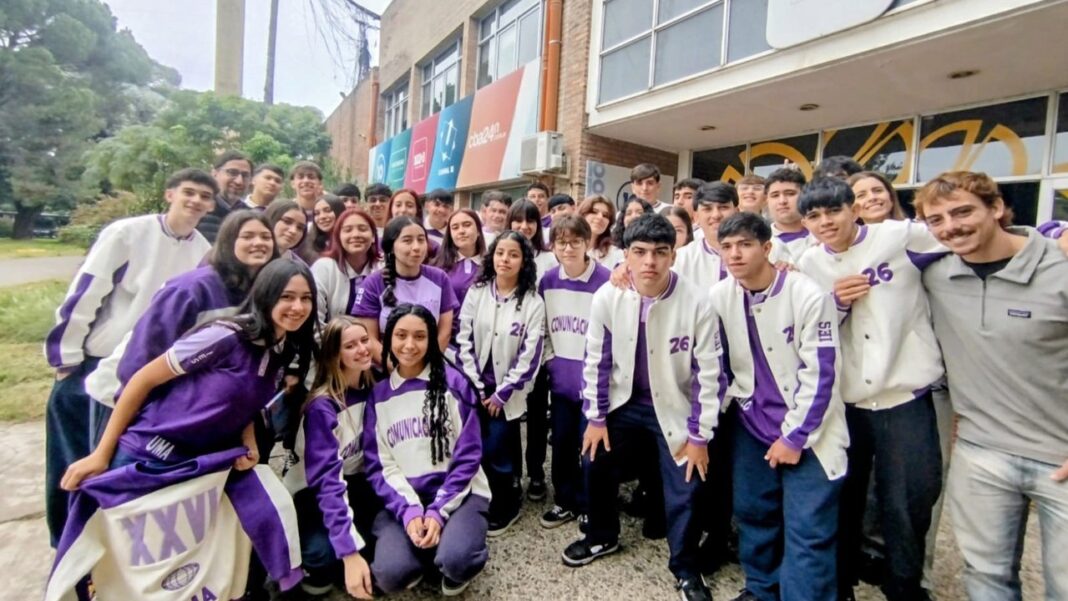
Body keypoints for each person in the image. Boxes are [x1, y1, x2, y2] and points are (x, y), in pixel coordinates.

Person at [60, 259, 319, 594]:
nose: (297, 307)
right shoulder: (224, 337)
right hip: (147, 458)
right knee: (129, 566)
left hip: (198, 467)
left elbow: (247, 402)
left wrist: (249, 440)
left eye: (306, 298)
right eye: (287, 296)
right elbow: (142, 380)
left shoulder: (281, 350)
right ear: (265, 296)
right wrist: (100, 454)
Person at [43, 168, 217, 546]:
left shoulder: (202, 248)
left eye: (205, 196)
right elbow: (85, 294)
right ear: (169, 193)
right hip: (91, 363)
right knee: (73, 457)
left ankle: (102, 547)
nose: (196, 201)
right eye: (189, 192)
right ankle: (65, 542)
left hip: (146, 370)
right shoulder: (127, 233)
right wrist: (65, 357)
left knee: (111, 462)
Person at [916, 171, 1068, 601]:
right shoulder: (936, 275)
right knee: (986, 578)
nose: (951, 226)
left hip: (1060, 454)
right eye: (937, 220)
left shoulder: (1059, 267)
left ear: (997, 208)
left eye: (963, 211)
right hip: (982, 452)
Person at [796, 177, 946, 601]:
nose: (826, 222)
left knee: (907, 506)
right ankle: (840, 587)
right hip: (847, 404)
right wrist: (836, 304)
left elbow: (959, 238)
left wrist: (1045, 233)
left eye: (834, 211)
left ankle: (904, 588)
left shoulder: (898, 236)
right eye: (814, 216)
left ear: (853, 208)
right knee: (844, 502)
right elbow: (807, 330)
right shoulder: (809, 264)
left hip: (904, 396)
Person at [563, 213, 724, 601]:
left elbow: (709, 374)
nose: (649, 261)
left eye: (659, 252)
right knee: (593, 459)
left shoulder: (697, 301)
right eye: (639, 252)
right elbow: (596, 360)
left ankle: (686, 568)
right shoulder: (609, 296)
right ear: (626, 256)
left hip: (675, 406)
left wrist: (700, 437)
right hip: (623, 402)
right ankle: (602, 536)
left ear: (673, 255)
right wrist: (596, 418)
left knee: (686, 483)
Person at [709, 212, 848, 601]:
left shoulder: (807, 294)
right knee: (755, 513)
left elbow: (821, 374)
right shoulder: (720, 296)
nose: (735, 254)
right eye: (727, 247)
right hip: (753, 424)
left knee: (808, 529)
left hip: (808, 429)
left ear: (767, 248)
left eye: (745, 244)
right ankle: (761, 589)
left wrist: (795, 436)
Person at [84, 210, 279, 448]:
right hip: (124, 397)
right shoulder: (191, 289)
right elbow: (142, 355)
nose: (258, 242)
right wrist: (141, 414)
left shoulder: (260, 294)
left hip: (178, 408)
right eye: (247, 236)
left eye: (265, 237)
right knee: (107, 475)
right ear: (228, 242)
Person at [363, 305, 492, 596]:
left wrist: (437, 512)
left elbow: (468, 457)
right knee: (391, 575)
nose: (410, 345)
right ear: (388, 340)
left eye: (420, 336)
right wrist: (410, 512)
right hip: (404, 500)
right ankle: (422, 549)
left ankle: (453, 547)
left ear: (432, 340)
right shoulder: (379, 396)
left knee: (457, 560)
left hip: (459, 494)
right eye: (401, 335)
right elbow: (380, 466)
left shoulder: (455, 384)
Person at [457, 231, 546, 536]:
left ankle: (507, 504)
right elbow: (463, 338)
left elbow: (530, 354)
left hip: (506, 394)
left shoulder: (533, 302)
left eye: (513, 254)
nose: (505, 259)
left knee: (499, 449)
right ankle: (480, 500)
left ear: (524, 262)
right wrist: (478, 387)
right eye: (500, 253)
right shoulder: (478, 292)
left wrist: (501, 393)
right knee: (475, 446)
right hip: (475, 388)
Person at [283, 317, 377, 598]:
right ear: (334, 356)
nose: (362, 349)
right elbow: (326, 482)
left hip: (356, 482)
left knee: (381, 558)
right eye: (350, 345)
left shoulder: (375, 387)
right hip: (312, 493)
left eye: (364, 340)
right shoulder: (322, 408)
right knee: (322, 555)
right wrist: (349, 552)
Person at [537, 215, 610, 529]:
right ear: (553, 246)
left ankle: (588, 504)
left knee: (590, 448)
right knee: (563, 444)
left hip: (595, 383)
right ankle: (564, 500)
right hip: (561, 381)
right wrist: (551, 361)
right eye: (561, 242)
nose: (568, 248)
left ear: (587, 243)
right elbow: (542, 330)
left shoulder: (606, 281)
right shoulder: (548, 280)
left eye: (575, 241)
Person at [352, 216, 458, 356]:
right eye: (407, 240)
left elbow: (444, 332)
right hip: (387, 367)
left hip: (431, 364)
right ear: (391, 247)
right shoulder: (372, 284)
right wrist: (397, 370)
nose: (416, 247)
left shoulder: (440, 278)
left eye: (421, 240)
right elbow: (370, 338)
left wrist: (427, 366)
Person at [311, 208, 381, 328]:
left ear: (374, 236)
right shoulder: (324, 268)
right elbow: (315, 322)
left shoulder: (383, 268)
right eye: (348, 230)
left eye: (362, 229)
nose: (356, 235)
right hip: (331, 343)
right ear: (338, 238)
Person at [673, 182, 735, 285]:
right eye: (707, 209)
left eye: (723, 207)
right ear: (696, 216)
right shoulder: (682, 258)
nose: (716, 215)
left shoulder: (757, 253)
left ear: (736, 212)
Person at [430, 208, 487, 311]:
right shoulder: (437, 267)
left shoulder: (491, 265)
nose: (461, 231)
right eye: (455, 227)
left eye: (467, 225)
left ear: (478, 231)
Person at [197, 150, 253, 243]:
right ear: (214, 173)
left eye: (245, 175)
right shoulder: (196, 208)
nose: (239, 181)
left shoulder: (251, 216)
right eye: (232, 172)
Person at [765, 168, 814, 264]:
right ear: (767, 200)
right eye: (775, 195)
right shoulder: (759, 241)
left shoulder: (824, 237)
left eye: (790, 194)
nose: (782, 201)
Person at [578, 195, 625, 267]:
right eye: (594, 212)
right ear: (583, 215)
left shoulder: (616, 254)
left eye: (605, 215)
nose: (600, 217)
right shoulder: (565, 247)